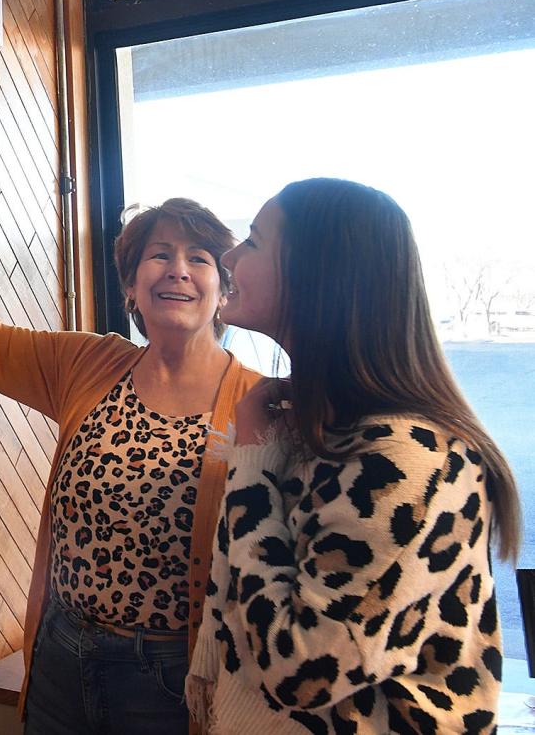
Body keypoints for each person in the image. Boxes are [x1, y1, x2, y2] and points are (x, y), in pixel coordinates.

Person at [0, 171, 262, 735]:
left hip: (173, 677)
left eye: (198, 258)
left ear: (223, 291)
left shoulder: (257, 403)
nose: (177, 269)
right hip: (60, 651)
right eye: (159, 255)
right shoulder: (90, 364)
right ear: (130, 285)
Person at [187, 179, 520, 734]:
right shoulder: (308, 425)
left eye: (253, 240)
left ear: (315, 275)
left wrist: (248, 459)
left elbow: (296, 670)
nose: (229, 256)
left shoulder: (405, 462)